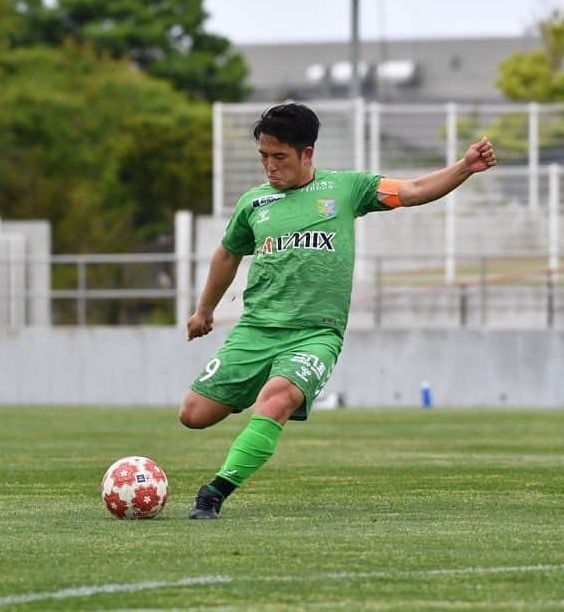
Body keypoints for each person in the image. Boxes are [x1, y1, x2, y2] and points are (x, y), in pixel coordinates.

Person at [179, 102, 497, 519]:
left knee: (276, 402)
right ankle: (258, 392)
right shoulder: (254, 204)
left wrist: (465, 166)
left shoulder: (346, 188)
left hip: (315, 333)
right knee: (194, 415)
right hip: (256, 329)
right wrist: (204, 310)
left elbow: (414, 190)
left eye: (280, 158)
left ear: (307, 154)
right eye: (263, 158)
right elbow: (226, 254)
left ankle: (215, 492)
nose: (270, 168)